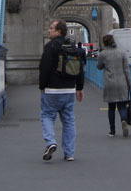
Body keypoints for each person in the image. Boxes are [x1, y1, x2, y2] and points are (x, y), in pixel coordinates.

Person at [39, 19, 84, 161]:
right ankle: (70, 153)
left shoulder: (50, 46)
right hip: (70, 89)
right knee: (69, 120)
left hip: (52, 89)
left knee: (47, 116)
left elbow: (44, 68)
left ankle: (51, 142)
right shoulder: (72, 46)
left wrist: (42, 86)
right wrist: (79, 87)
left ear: (58, 31)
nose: (48, 30)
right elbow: (80, 69)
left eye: (51, 28)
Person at [95, 34, 131, 138]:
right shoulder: (122, 53)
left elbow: (98, 67)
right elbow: (126, 70)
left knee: (111, 108)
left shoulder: (103, 54)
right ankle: (124, 120)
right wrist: (130, 83)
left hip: (109, 83)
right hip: (122, 83)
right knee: (122, 106)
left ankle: (112, 131)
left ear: (104, 43)